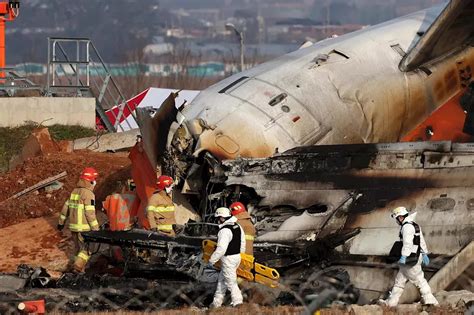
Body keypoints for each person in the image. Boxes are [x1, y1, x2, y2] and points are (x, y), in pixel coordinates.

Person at [382, 206, 439, 306]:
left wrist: (403, 256)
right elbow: (421, 240)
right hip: (416, 255)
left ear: (400, 218)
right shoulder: (415, 225)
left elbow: (407, 244)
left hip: (410, 259)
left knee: (419, 280)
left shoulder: (406, 227)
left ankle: (431, 301)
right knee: (400, 281)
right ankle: (391, 302)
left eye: (396, 219)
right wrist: (424, 253)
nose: (396, 221)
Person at [58, 167, 100, 273]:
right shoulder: (89, 194)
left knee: (77, 249)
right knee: (87, 249)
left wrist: (61, 223)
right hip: (84, 228)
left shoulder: (74, 192)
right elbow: (89, 213)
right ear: (90, 181)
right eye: (94, 179)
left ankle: (77, 269)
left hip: (73, 227)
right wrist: (96, 228)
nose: (95, 182)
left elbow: (65, 207)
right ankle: (77, 267)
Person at [208, 207, 246, 308]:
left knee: (231, 282)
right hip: (236, 257)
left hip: (228, 259)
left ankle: (238, 303)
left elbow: (221, 249)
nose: (217, 220)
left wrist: (212, 260)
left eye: (218, 218)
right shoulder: (237, 226)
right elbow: (243, 242)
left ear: (221, 218)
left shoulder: (224, 231)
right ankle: (216, 303)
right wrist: (240, 254)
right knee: (222, 281)